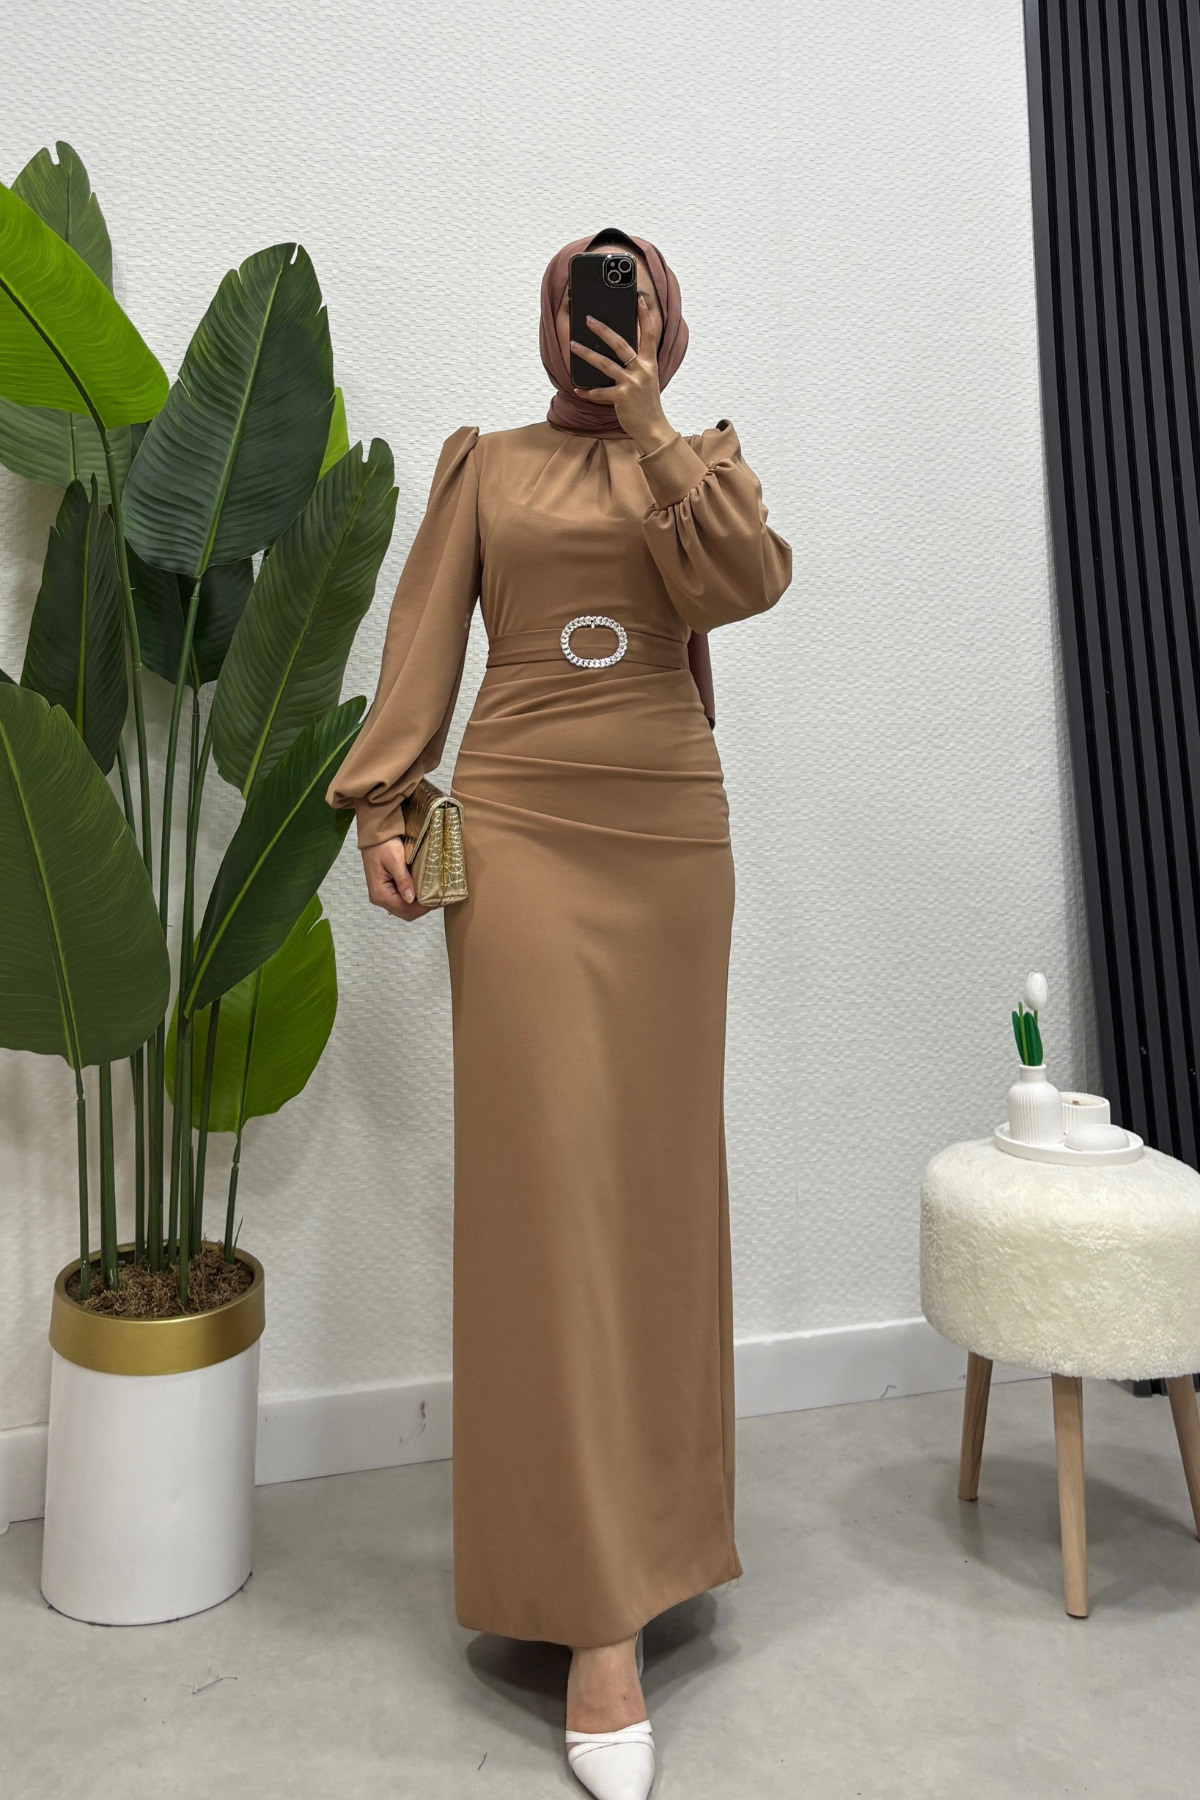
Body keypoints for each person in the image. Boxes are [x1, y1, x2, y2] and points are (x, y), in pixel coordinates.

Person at [327, 227, 791, 1800]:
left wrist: (652, 424)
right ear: (549, 318)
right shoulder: (489, 465)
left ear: (665, 318)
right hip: (521, 832)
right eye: (585, 300)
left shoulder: (701, 463)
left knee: (653, 1198)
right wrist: (386, 808)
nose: (605, 319)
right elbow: (422, 644)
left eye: (632, 296)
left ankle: (654, 1552)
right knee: (546, 1199)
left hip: (668, 843)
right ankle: (593, 1615)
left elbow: (744, 584)